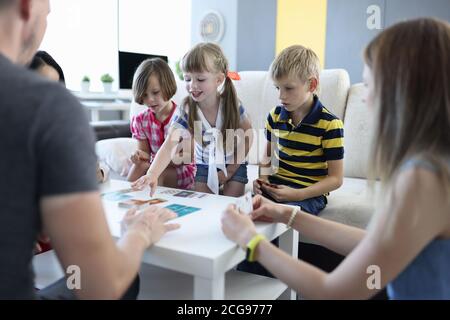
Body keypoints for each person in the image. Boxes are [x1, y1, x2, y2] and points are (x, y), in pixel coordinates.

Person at [222, 17, 450, 299]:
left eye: (371, 85)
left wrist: (250, 240)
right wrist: (287, 213)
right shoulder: (434, 166)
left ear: (405, 90)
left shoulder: (424, 179)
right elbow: (377, 244)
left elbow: (334, 291)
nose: (365, 99)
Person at [0, 0, 179, 299]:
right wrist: (139, 233)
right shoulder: (47, 106)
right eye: (48, 8)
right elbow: (101, 285)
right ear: (27, 7)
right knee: (126, 279)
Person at [132, 43, 253, 197]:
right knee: (203, 203)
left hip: (235, 162)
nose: (193, 85)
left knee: (232, 205)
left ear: (219, 79)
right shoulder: (187, 109)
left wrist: (229, 171)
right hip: (205, 165)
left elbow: (248, 136)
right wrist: (152, 174)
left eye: (201, 79)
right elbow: (170, 143)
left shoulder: (232, 104)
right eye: (187, 79)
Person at [254, 45, 344, 216]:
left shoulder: (330, 124)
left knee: (283, 215)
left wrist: (299, 193)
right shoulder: (274, 116)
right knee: (247, 209)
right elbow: (267, 158)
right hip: (276, 186)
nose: (281, 96)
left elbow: (336, 179)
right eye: (277, 88)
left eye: (288, 88)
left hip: (308, 194)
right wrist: (263, 181)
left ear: (312, 84)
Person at [127, 58, 196, 190]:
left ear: (167, 86)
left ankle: (152, 202)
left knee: (158, 175)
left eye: (155, 92)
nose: (150, 99)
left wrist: (157, 163)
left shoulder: (183, 117)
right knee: (140, 166)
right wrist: (139, 157)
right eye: (144, 95)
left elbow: (187, 157)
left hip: (181, 169)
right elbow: (145, 154)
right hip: (154, 167)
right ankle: (123, 195)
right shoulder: (141, 120)